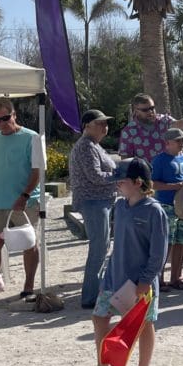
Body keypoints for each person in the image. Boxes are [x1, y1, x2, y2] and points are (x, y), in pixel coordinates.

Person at [69, 158, 168, 366]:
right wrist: (107, 276)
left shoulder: (155, 211)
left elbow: (159, 252)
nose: (117, 185)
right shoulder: (120, 207)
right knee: (99, 317)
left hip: (139, 283)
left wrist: (146, 280)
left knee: (144, 325)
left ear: (138, 182)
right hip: (114, 278)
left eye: (121, 181)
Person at [0, 98, 45, 303]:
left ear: (14, 114)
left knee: (29, 243)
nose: (2, 123)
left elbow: (37, 171)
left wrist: (24, 196)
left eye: (6, 118)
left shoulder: (32, 137)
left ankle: (28, 287)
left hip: (25, 203)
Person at [68, 109, 117, 309]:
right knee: (99, 248)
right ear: (87, 126)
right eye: (100, 123)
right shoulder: (86, 146)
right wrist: (120, 177)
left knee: (102, 246)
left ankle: (95, 292)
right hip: (93, 201)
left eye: (106, 123)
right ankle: (90, 297)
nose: (105, 127)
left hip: (100, 201)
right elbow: (95, 176)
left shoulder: (94, 145)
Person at [150, 128, 183, 290]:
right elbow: (153, 184)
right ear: (167, 143)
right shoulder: (159, 160)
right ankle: (159, 279)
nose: (182, 143)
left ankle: (176, 277)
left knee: (181, 242)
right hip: (166, 205)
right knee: (166, 243)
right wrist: (175, 186)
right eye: (178, 140)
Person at [117, 93, 183, 163]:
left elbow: (176, 124)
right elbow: (125, 159)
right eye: (145, 110)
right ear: (136, 111)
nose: (150, 112)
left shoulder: (163, 121)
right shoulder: (128, 131)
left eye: (152, 108)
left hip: (168, 171)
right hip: (146, 174)